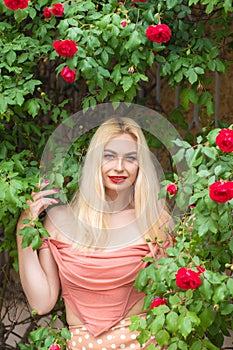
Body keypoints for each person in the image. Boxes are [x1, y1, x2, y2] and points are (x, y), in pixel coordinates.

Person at [17, 117, 173, 350]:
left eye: (130, 158)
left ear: (141, 165)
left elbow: (173, 300)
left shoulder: (155, 221)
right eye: (109, 156)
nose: (119, 167)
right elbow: (41, 303)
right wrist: (24, 228)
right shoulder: (59, 220)